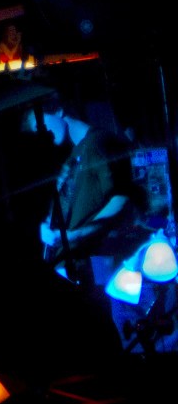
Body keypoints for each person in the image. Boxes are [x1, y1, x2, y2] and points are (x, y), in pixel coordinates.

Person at [21, 93, 144, 346]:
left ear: (58, 110)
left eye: (41, 125)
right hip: (80, 266)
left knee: (120, 334)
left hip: (105, 262)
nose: (42, 134)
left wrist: (74, 235)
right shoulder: (72, 157)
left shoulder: (98, 142)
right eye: (36, 132)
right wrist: (47, 228)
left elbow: (121, 199)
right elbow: (67, 206)